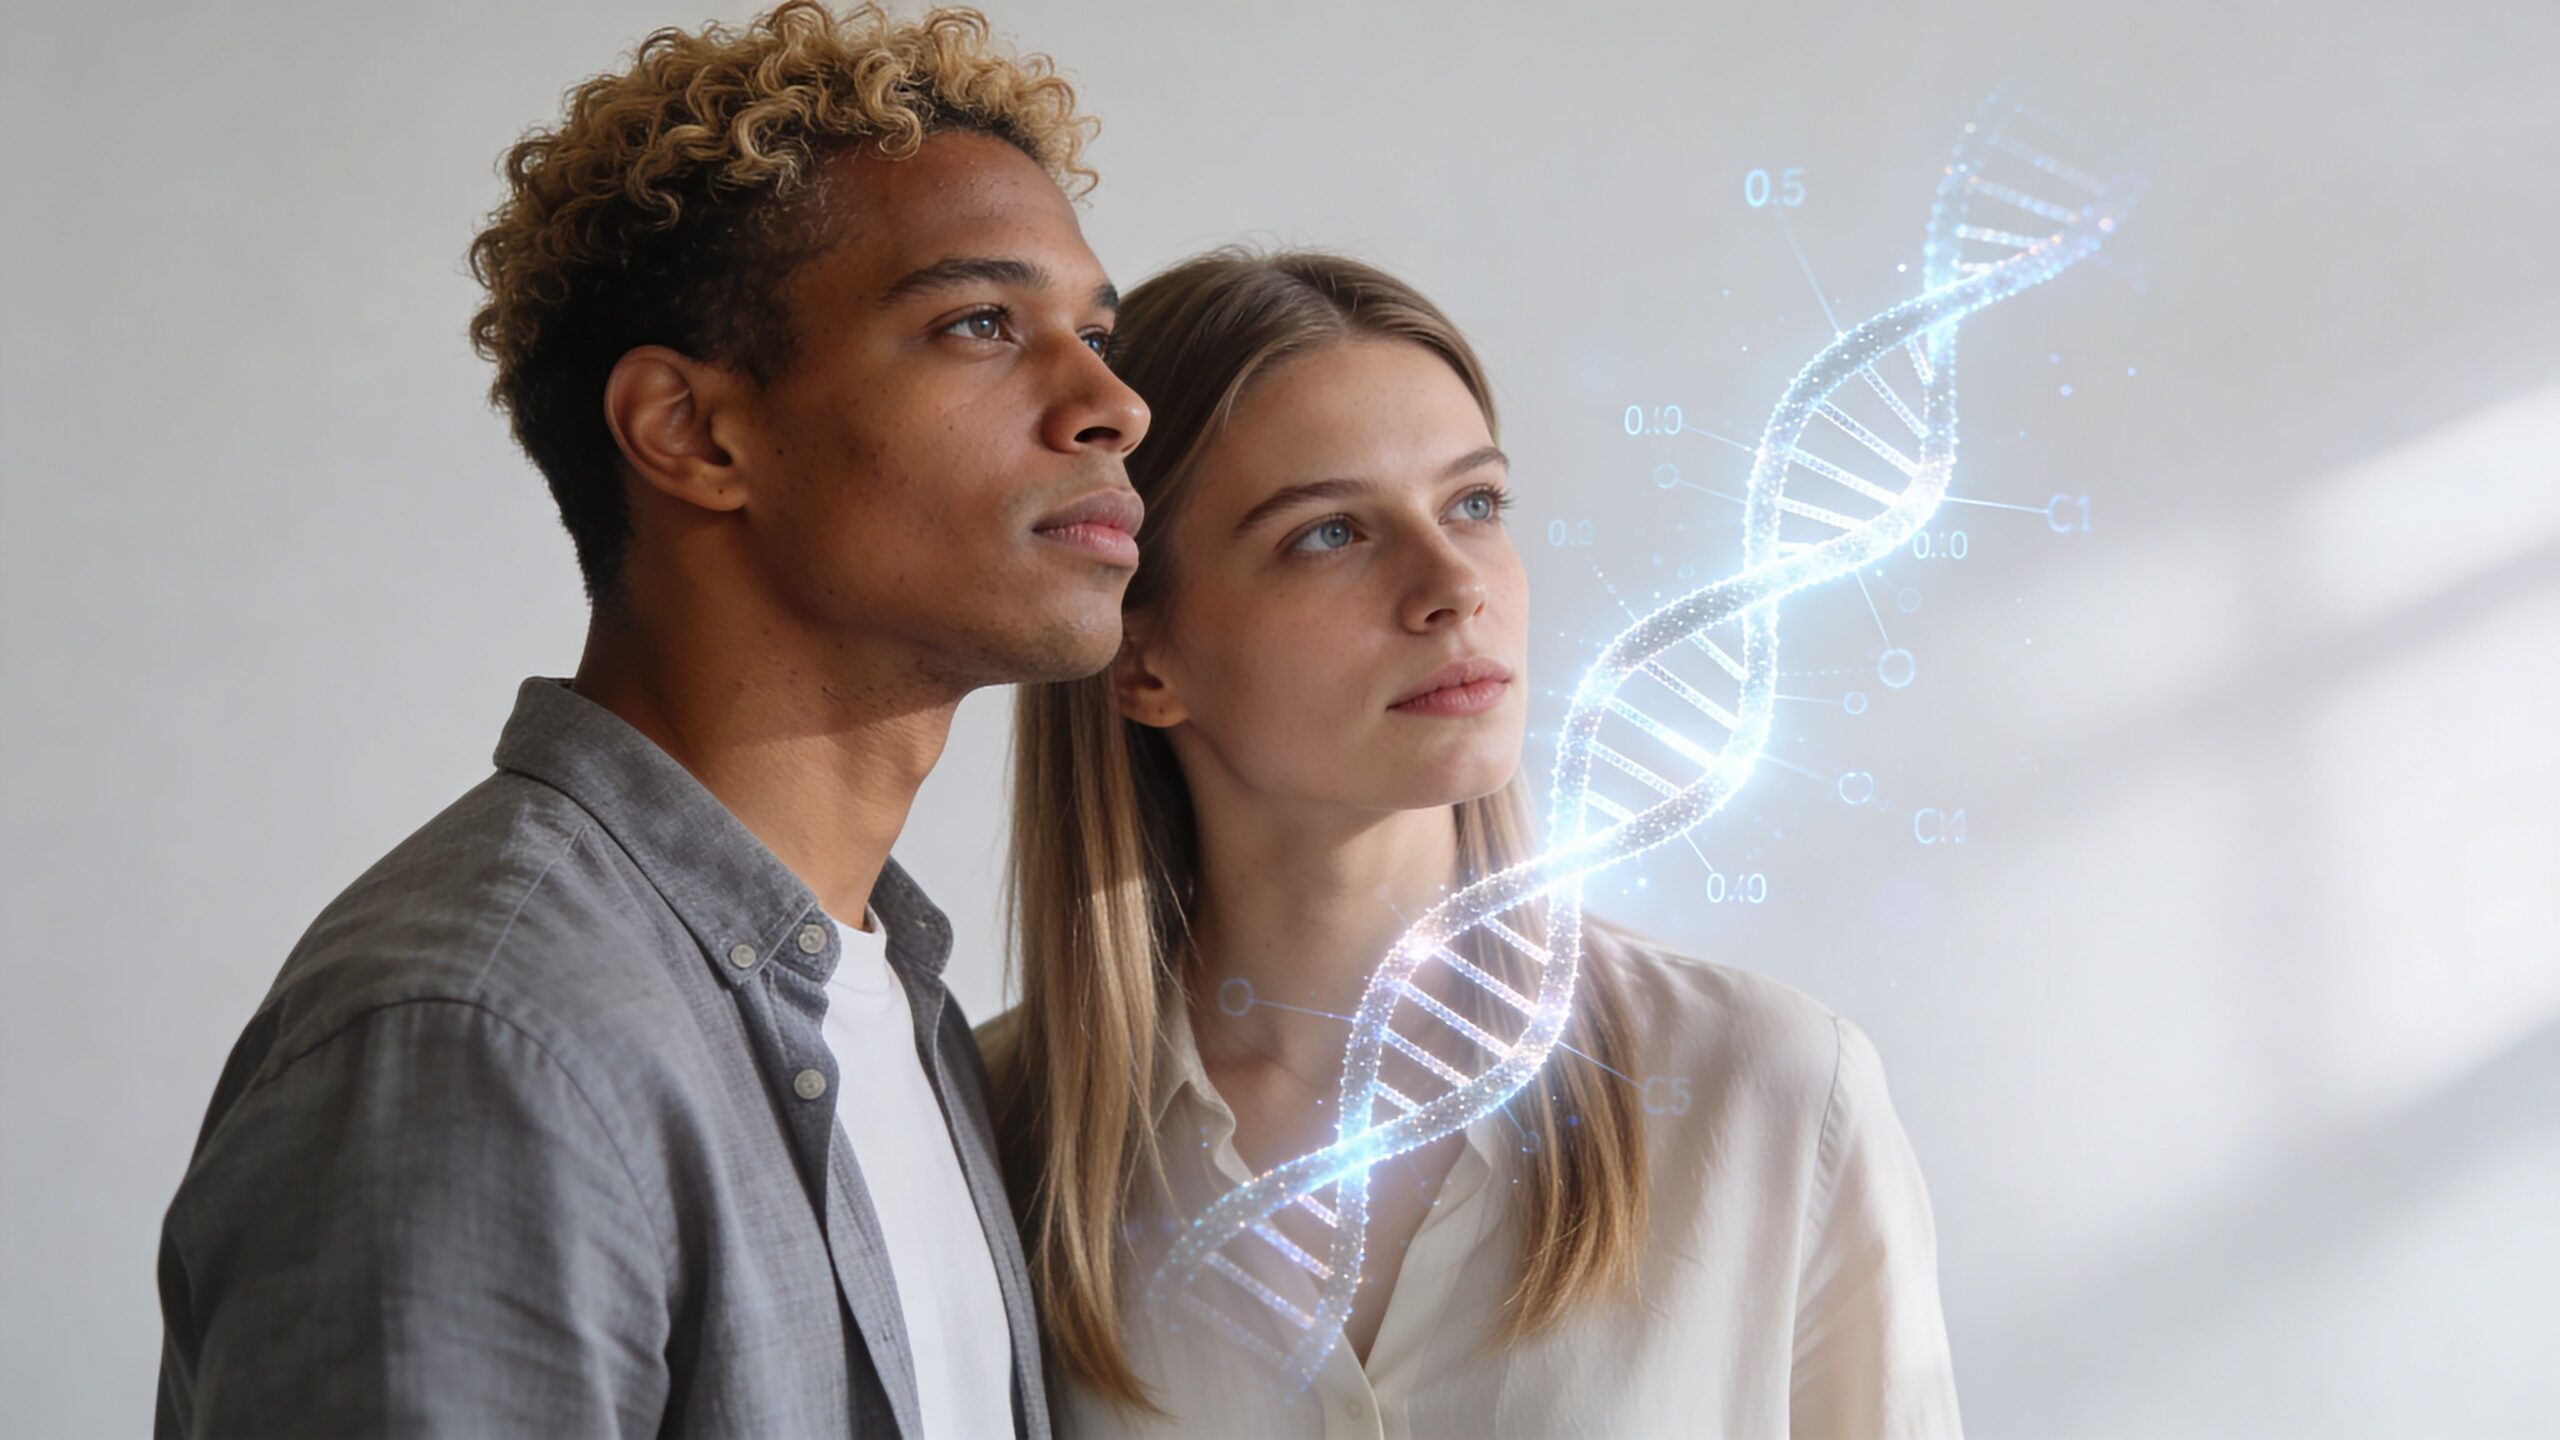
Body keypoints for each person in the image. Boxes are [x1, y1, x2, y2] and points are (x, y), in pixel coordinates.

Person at [151, 6, 1147, 1436]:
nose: (1112, 402)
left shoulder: (900, 1014)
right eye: (981, 324)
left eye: (1097, 333)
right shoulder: (482, 1040)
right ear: (692, 432)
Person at [979, 250, 1963, 1438]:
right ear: (1142, 658)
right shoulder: (991, 1139)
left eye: (1475, 505)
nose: (1452, 585)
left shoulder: (1768, 1091)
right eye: (1330, 532)